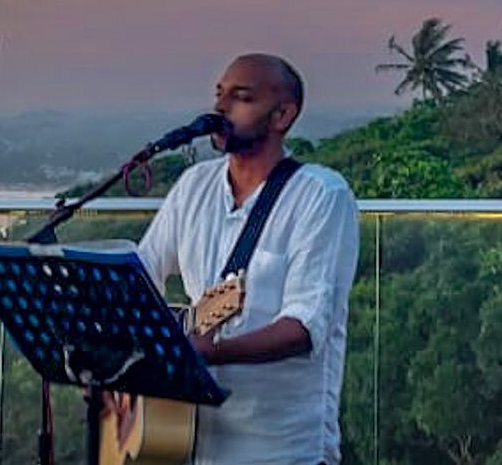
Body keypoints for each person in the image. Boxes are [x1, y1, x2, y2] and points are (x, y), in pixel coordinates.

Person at [138, 53, 360, 465]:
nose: (221, 108)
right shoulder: (193, 187)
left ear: (282, 115)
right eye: (219, 95)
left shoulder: (322, 196)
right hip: (189, 441)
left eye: (241, 98)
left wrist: (209, 351)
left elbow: (302, 328)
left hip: (280, 448)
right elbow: (140, 280)